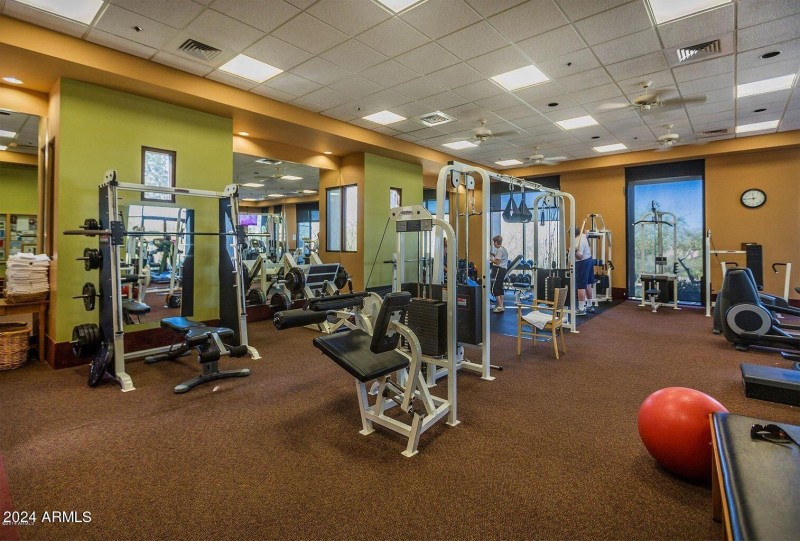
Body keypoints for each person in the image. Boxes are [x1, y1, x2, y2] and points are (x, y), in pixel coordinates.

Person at [574, 227, 595, 315]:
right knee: (588, 284)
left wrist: (575, 252)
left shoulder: (577, 241)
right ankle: (589, 306)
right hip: (589, 260)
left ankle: (581, 309)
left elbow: (580, 256)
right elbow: (585, 230)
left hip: (582, 262)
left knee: (581, 286)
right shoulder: (583, 236)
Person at [489, 235, 509, 313]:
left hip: (498, 270)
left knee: (494, 288)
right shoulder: (503, 249)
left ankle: (500, 306)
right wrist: (493, 255)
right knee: (500, 287)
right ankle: (501, 305)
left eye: (494, 242)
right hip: (503, 270)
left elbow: (497, 262)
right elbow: (500, 258)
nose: (494, 244)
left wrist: (491, 259)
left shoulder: (500, 250)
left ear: (497, 242)